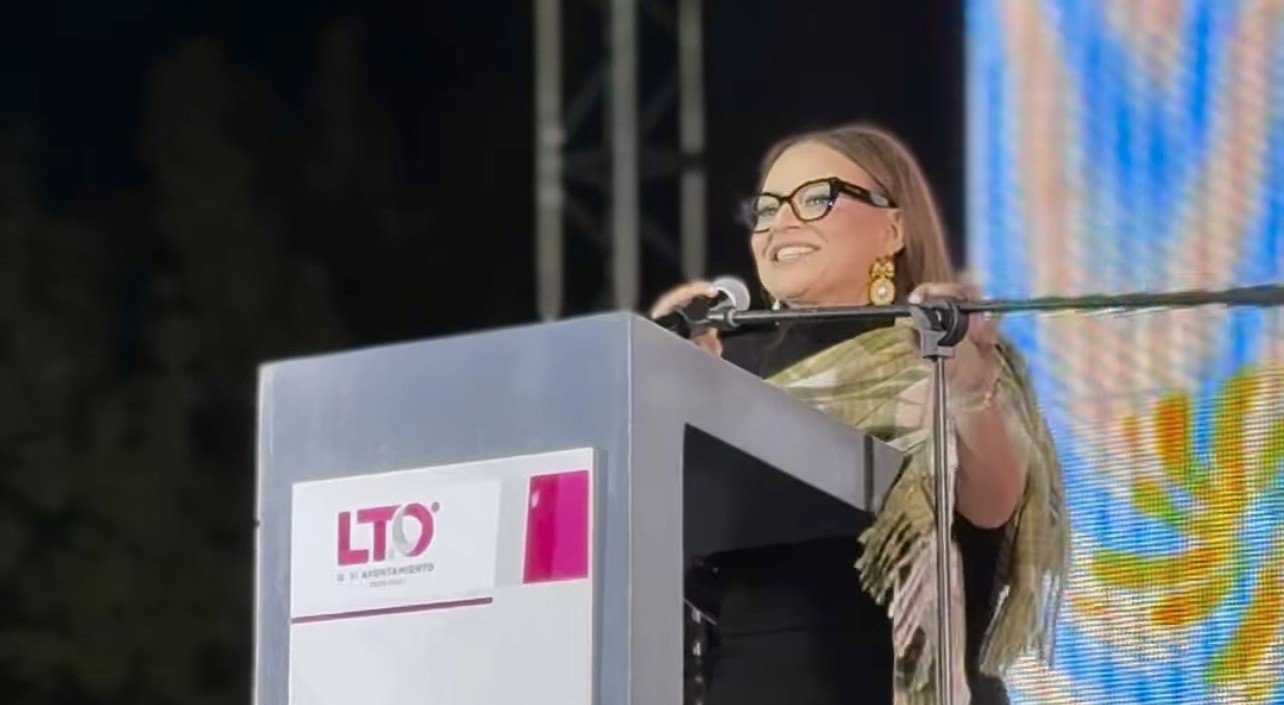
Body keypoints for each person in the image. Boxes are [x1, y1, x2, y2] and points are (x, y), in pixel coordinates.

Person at [653, 123, 1067, 705]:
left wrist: (971, 391)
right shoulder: (727, 371)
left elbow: (991, 505)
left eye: (816, 199)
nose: (781, 223)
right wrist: (660, 378)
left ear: (892, 229)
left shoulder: (944, 351)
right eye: (767, 209)